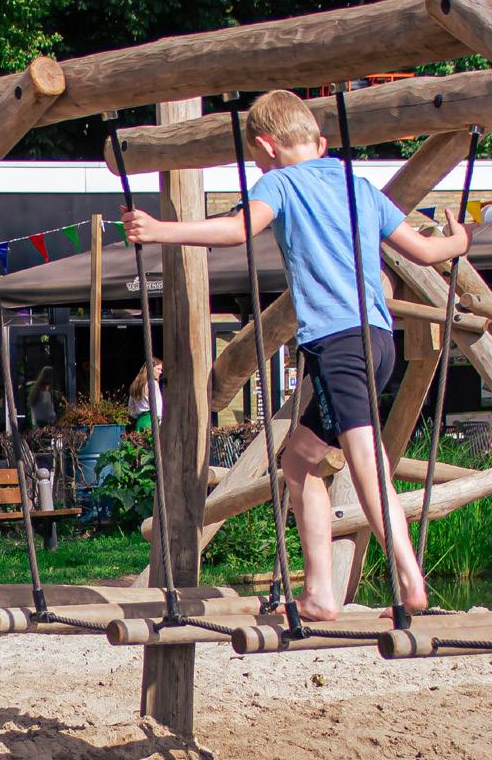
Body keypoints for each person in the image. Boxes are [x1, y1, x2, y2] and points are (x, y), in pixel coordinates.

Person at [122, 89, 471, 620]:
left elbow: (238, 229)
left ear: (266, 146)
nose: (260, 167)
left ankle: (409, 581)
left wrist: (161, 230)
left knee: (366, 461)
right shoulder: (358, 186)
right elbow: (425, 251)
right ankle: (321, 593)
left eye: (258, 158)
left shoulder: (280, 183)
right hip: (380, 341)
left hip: (338, 345)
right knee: (299, 461)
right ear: (320, 142)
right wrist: (459, 240)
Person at [127, 358, 163, 432]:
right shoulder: (153, 384)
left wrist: (137, 417)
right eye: (158, 369)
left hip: (139, 422)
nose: (160, 372)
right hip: (151, 421)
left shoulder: (136, 385)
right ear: (150, 369)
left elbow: (131, 408)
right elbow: (158, 404)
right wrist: (159, 420)